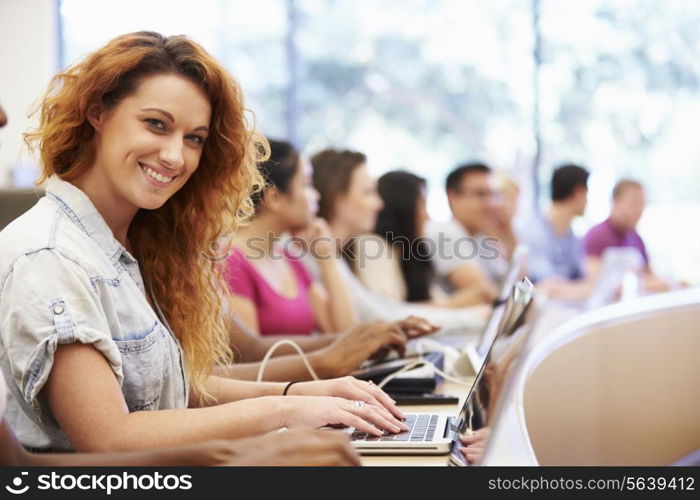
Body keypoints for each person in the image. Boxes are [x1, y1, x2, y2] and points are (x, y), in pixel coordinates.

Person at [0, 31, 406, 453]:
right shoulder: (48, 255)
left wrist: (299, 395)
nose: (175, 157)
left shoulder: (131, 246)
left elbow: (169, 394)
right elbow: (109, 437)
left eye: (194, 138)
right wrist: (282, 411)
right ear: (96, 113)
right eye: (156, 124)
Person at [309, 148, 490, 334]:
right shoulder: (318, 254)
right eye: (368, 192)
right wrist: (474, 318)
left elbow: (387, 310)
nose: (379, 204)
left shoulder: (334, 254)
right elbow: (377, 318)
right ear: (336, 197)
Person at [224, 140, 355, 335]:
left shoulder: (288, 258)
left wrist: (326, 258)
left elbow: (345, 334)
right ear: (274, 198)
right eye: (307, 184)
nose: (316, 196)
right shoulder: (232, 262)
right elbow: (252, 356)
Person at [354, 170, 488, 307]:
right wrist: (461, 302)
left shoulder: (411, 252)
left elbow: (436, 300)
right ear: (404, 207)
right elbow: (390, 313)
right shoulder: (372, 245)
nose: (426, 216)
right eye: (422, 204)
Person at [423, 163, 506, 303]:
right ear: (452, 197)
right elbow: (486, 293)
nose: (491, 203)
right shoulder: (444, 233)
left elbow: (513, 281)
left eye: (494, 195)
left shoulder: (480, 236)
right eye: (480, 194)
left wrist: (506, 227)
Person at [518, 164, 596, 300]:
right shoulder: (535, 234)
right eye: (587, 192)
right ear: (578, 192)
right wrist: (588, 289)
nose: (588, 200)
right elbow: (548, 288)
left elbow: (582, 277)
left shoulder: (569, 234)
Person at [584, 180, 673, 293]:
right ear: (615, 203)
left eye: (642, 204)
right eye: (634, 203)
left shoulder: (636, 238)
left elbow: (652, 276)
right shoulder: (597, 235)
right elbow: (597, 284)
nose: (639, 210)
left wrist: (672, 283)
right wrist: (648, 284)